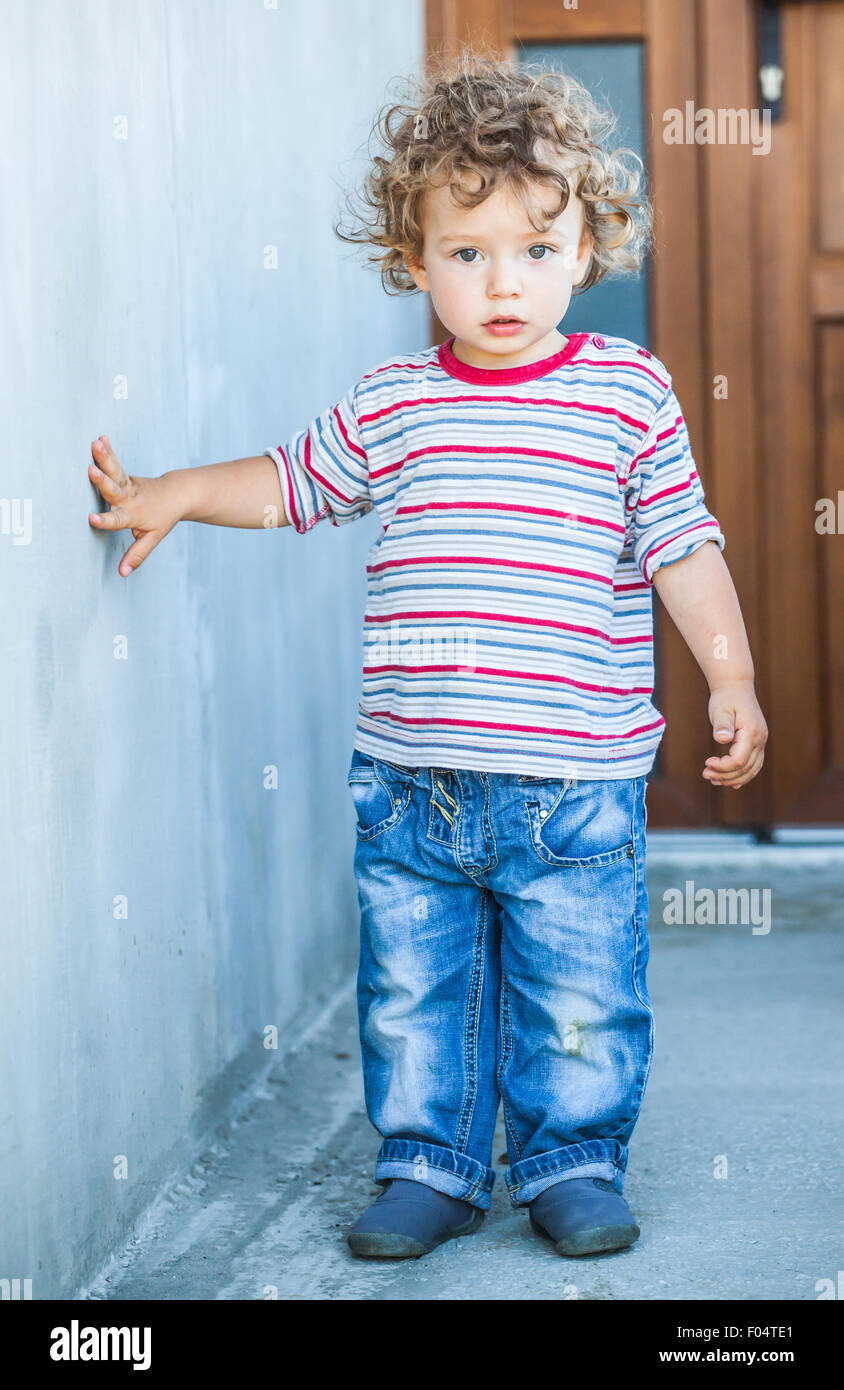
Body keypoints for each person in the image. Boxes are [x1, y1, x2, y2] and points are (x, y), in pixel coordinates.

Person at [87, 51, 768, 1262]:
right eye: (466, 252)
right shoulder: (396, 404)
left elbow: (683, 547)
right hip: (411, 779)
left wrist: (728, 673)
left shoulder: (626, 395)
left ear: (588, 250)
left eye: (535, 249)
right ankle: (430, 1162)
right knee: (414, 986)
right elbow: (292, 484)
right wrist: (178, 492)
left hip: (570, 780)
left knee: (575, 987)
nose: (502, 281)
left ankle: (569, 1159)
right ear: (414, 259)